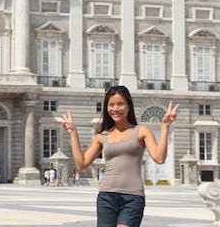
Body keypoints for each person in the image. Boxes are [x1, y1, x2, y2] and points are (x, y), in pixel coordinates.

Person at [63, 86, 179, 227]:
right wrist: (73, 132)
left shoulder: (142, 131)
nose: (115, 109)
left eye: (120, 104)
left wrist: (165, 126)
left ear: (128, 106)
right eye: (111, 105)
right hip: (106, 196)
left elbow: (159, 158)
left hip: (133, 198)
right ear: (106, 108)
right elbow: (81, 164)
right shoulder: (102, 136)